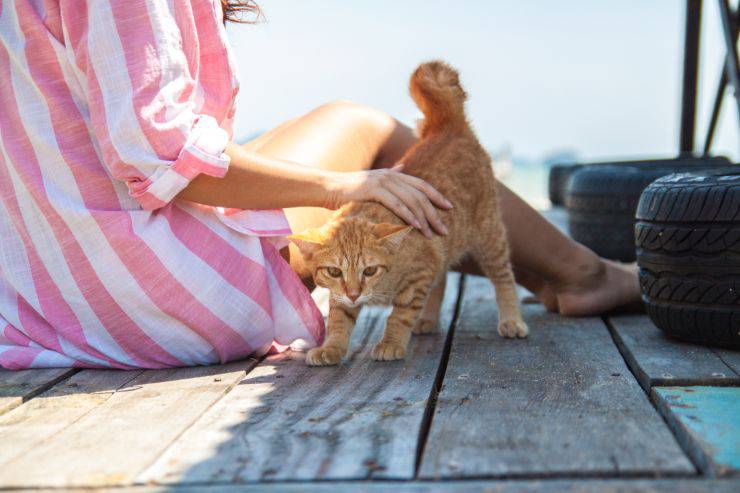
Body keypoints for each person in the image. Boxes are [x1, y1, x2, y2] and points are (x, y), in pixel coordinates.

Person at [0, 0, 639, 370]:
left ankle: (561, 271)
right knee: (365, 130)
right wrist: (340, 185)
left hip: (54, 291)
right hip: (153, 293)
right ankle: (582, 276)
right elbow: (159, 151)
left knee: (341, 147)